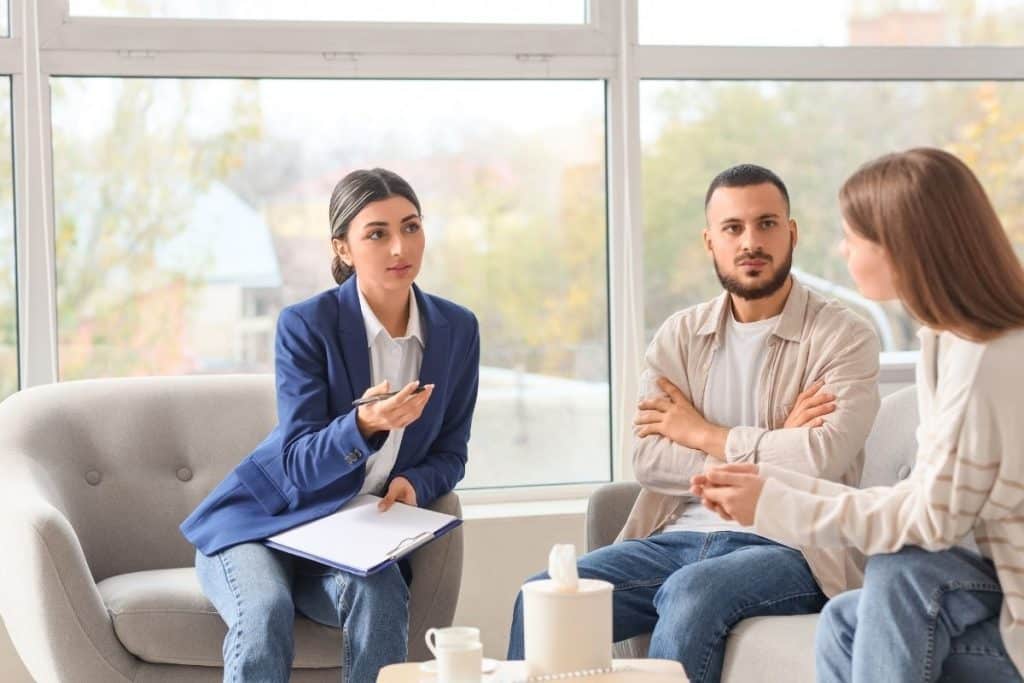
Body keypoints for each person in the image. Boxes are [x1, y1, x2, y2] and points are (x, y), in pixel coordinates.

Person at [508, 164, 881, 683]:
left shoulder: (844, 336)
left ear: (791, 232)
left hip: (790, 546)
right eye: (733, 228)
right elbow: (648, 459)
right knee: (544, 596)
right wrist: (776, 445)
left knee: (690, 593)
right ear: (710, 242)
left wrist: (699, 432)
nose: (751, 241)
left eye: (767, 223)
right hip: (677, 535)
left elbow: (823, 458)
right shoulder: (680, 336)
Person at [694, 148, 1024, 683]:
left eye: (853, 236)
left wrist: (775, 503)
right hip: (985, 581)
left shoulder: (992, 361)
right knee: (845, 621)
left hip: (1007, 605)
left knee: (900, 568)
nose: (842, 249)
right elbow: (920, 499)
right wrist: (774, 481)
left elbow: (930, 525)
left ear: (902, 246)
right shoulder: (947, 342)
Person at [180, 168, 480, 683]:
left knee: (382, 594)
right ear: (342, 248)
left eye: (410, 227)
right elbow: (296, 460)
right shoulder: (306, 325)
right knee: (265, 612)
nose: (398, 247)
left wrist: (415, 483)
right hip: (259, 523)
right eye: (376, 233)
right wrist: (362, 424)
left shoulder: (457, 329)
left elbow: (452, 450)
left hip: (349, 536)